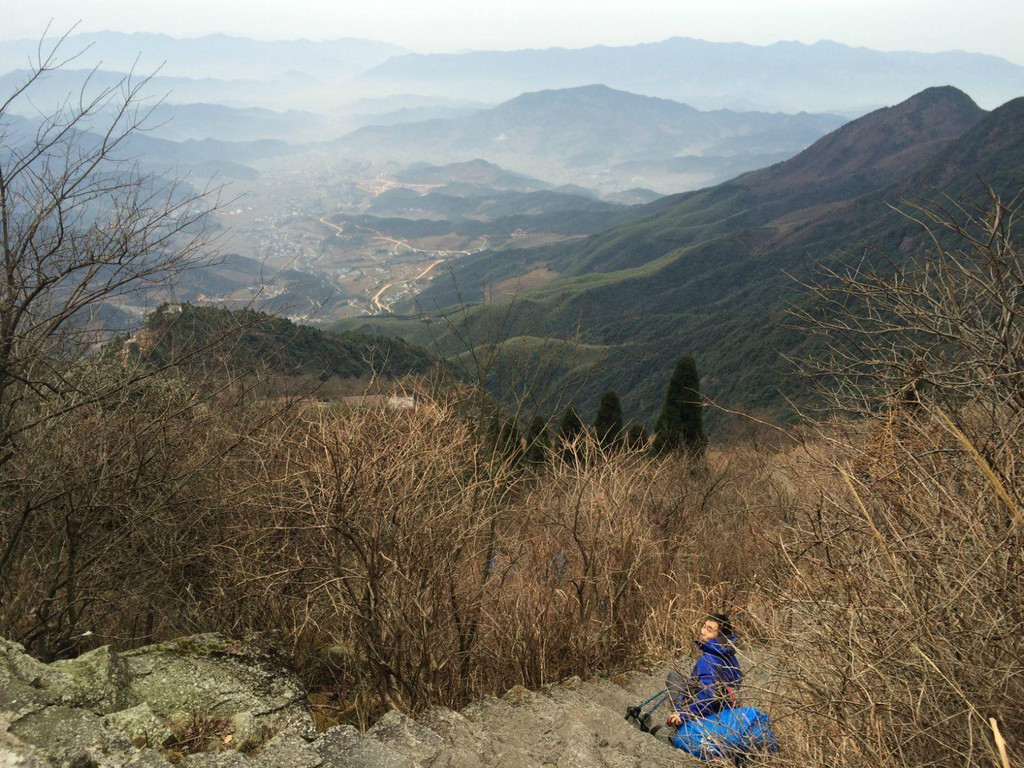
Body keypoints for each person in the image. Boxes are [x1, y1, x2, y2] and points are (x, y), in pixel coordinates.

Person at [667, 613, 741, 727]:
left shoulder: (708, 660)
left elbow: (708, 697)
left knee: (674, 676)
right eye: (704, 626)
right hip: (726, 712)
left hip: (709, 716)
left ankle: (677, 717)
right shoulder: (731, 657)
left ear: (719, 637)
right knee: (688, 681)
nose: (703, 631)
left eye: (709, 630)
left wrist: (682, 715)